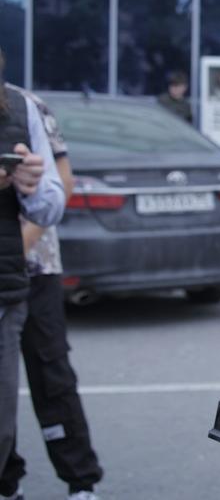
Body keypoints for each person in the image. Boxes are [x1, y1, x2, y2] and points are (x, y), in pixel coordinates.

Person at [0, 85, 103, 500]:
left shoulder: (26, 105)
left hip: (36, 266)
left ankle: (81, 481)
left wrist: (17, 250)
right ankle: (8, 481)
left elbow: (61, 182)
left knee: (51, 375)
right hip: (10, 266)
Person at [0, 47, 66, 500]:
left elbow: (53, 201)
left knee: (3, 429)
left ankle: (80, 479)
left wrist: (32, 183)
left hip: (8, 290)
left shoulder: (23, 107)